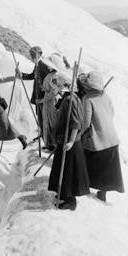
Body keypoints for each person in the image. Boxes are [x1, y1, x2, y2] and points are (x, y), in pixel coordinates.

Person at [47, 73, 90, 210]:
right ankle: (63, 194)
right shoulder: (67, 98)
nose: (57, 88)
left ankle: (70, 201)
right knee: (62, 169)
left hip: (69, 142)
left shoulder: (71, 99)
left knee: (69, 172)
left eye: (58, 85)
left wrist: (71, 141)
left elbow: (76, 124)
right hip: (63, 141)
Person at [80, 70, 124, 202]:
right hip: (111, 137)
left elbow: (86, 123)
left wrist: (79, 134)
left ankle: (84, 185)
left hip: (98, 138)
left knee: (87, 158)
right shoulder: (106, 96)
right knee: (106, 166)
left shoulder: (87, 99)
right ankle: (103, 191)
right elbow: (112, 113)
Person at [16, 46, 55, 145]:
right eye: (31, 55)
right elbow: (32, 76)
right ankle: (43, 135)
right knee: (40, 116)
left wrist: (45, 93)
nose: (31, 56)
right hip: (38, 96)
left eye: (33, 54)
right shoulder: (37, 65)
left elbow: (51, 79)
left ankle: (48, 140)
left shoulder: (44, 65)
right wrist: (21, 75)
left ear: (39, 54)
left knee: (45, 118)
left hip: (43, 96)